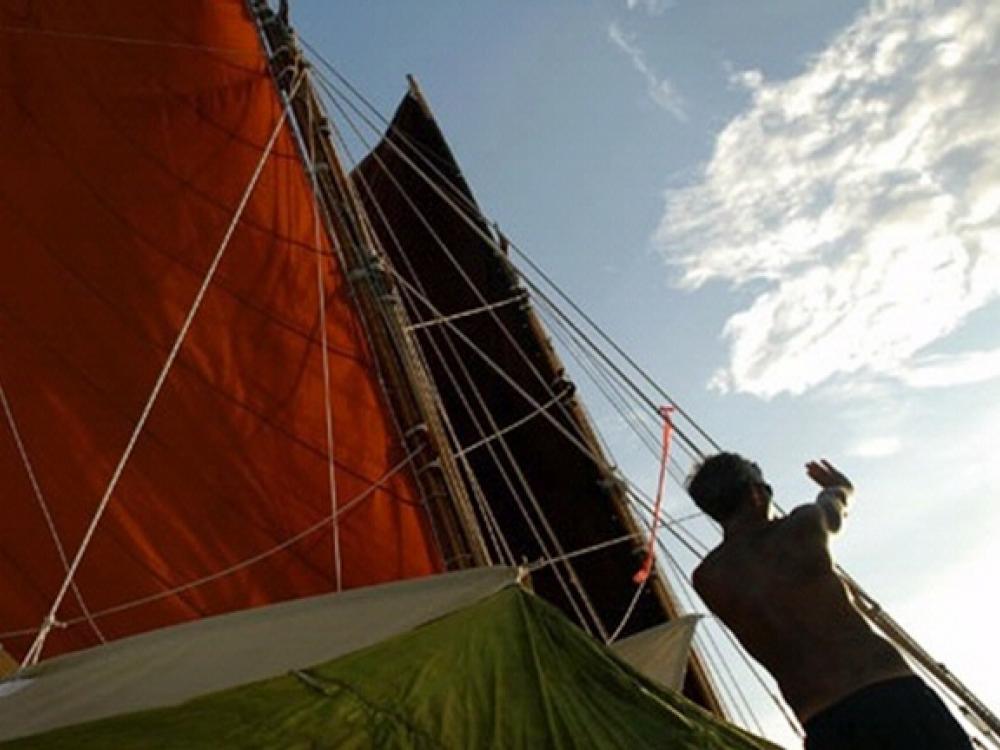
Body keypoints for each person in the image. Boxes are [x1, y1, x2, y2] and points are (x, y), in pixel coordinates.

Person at [687, 453, 972, 749]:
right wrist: (840, 487)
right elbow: (834, 505)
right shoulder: (803, 526)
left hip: (824, 726)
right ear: (756, 494)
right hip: (891, 697)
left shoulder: (708, 579)